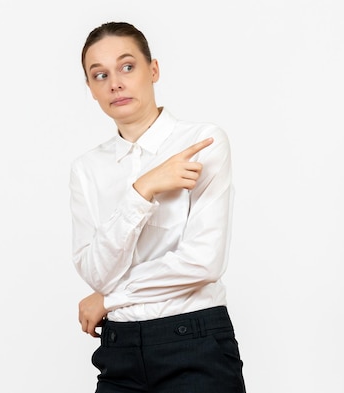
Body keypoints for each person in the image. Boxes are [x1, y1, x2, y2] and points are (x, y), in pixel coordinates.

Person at [69, 21, 246, 393]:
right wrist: (142, 189)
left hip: (195, 343)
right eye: (99, 75)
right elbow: (97, 274)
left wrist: (112, 298)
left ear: (154, 70)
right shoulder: (87, 169)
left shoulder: (202, 142)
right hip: (118, 352)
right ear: (90, 89)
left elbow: (203, 261)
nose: (115, 82)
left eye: (127, 66)